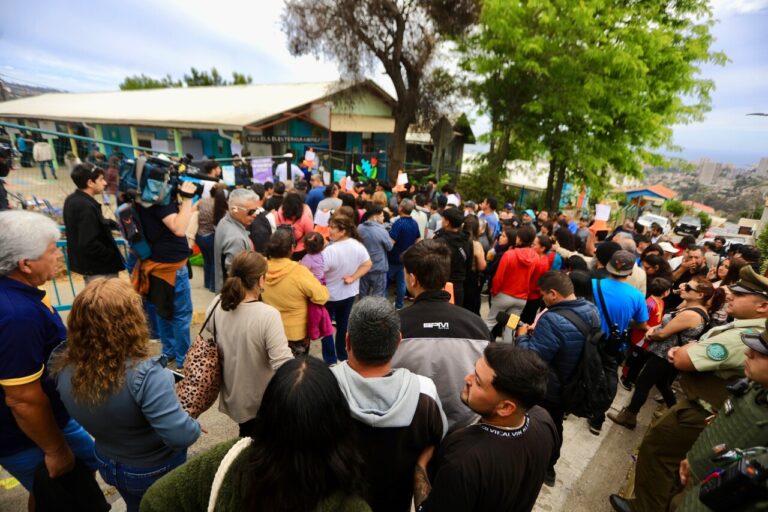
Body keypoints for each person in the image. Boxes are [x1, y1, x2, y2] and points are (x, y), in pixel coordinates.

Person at [609, 265, 768, 512]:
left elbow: (686, 358)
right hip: (708, 409)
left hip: (702, 408)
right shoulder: (745, 328)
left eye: (740, 295)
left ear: (762, 306)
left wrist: (681, 349)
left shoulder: (746, 333)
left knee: (659, 449)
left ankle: (645, 507)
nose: (730, 296)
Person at [140, 357, 371, 512]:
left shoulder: (232, 461)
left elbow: (154, 501)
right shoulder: (351, 504)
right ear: (337, 420)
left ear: (268, 413)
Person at [54, 279, 200, 512]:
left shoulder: (63, 367)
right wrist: (192, 424)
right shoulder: (148, 375)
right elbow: (180, 436)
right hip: (153, 468)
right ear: (131, 321)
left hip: (108, 460)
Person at [0, 211, 100, 506]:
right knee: (60, 494)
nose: (59, 255)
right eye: (52, 249)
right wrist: (56, 450)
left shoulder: (22, 294)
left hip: (52, 421)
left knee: (61, 484)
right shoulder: (17, 315)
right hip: (27, 435)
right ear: (25, 264)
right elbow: (23, 399)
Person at [332, 297, 446, 512]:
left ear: (347, 341)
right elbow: (437, 441)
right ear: (398, 342)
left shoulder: (324, 389)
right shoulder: (425, 393)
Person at [414, 345, 558, 511]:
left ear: (506, 408)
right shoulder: (543, 420)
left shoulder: (463, 461)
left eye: (478, 382)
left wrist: (420, 465)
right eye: (474, 371)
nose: (467, 379)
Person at [392, 239, 492, 432]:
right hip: (463, 422)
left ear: (412, 279)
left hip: (409, 423)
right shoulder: (477, 325)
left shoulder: (394, 324)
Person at [516, 271, 600, 487]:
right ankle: (549, 467)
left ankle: (536, 465)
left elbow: (532, 358)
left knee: (540, 423)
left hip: (551, 386)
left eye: (544, 294)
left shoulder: (552, 319)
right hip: (574, 382)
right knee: (555, 426)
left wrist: (523, 336)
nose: (542, 298)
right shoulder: (591, 309)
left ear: (553, 293)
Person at [673, 318, 768, 511]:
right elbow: (726, 427)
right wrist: (695, 460)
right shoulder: (757, 387)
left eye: (761, 353)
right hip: (701, 484)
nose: (747, 353)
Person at [204, 251, 294, 436]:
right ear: (261, 280)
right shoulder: (267, 315)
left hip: (233, 393)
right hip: (261, 400)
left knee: (246, 436)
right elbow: (283, 364)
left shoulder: (216, 304)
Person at [609, 276, 714, 429]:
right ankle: (675, 413)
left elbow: (664, 333)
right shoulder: (691, 307)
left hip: (663, 356)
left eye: (689, 288)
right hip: (667, 355)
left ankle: (629, 416)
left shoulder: (691, 314)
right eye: (686, 285)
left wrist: (651, 333)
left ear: (700, 295)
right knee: (662, 384)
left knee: (642, 384)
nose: (683, 288)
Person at [589, 250, 650, 435]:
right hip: (613, 343)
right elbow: (641, 324)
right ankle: (597, 419)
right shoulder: (637, 296)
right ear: (631, 272)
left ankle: (568, 408)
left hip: (589, 338)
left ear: (608, 266)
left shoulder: (593, 284)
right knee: (609, 377)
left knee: (580, 368)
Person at [262, 228, 329, 357]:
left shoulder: (261, 266)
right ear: (292, 248)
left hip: (269, 329)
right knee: (295, 371)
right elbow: (322, 297)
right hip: (295, 333)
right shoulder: (299, 272)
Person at [321, 214, 372, 364]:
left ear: (342, 231)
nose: (329, 230)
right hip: (349, 294)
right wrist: (353, 277)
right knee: (343, 325)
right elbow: (368, 264)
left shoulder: (330, 251)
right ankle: (343, 356)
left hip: (329, 296)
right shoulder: (358, 245)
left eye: (332, 228)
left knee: (327, 328)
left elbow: (318, 273)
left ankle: (330, 360)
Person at [62, 163, 124, 284]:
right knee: (107, 301)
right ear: (90, 183)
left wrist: (109, 223)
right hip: (100, 270)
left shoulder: (73, 199)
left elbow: (87, 225)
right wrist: (111, 254)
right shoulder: (85, 206)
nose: (105, 183)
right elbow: (88, 242)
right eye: (101, 179)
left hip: (91, 267)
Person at [485, 225, 539, 342]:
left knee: (490, 322)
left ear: (519, 239)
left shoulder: (509, 254)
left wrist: (494, 291)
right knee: (510, 328)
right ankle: (507, 354)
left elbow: (498, 277)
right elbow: (533, 279)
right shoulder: (536, 257)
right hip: (521, 300)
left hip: (503, 296)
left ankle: (478, 345)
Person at [621, 277, 672, 390]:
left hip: (649, 338)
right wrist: (651, 330)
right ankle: (625, 378)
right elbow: (639, 323)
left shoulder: (660, 302)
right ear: (666, 292)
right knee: (634, 360)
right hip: (640, 338)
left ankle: (632, 378)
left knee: (640, 361)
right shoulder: (649, 304)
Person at [213, 188, 258, 292]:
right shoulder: (236, 238)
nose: (255, 214)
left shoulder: (225, 220)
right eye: (251, 211)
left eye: (256, 210)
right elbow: (236, 278)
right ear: (234, 210)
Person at [434, 207, 473, 307]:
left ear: (447, 222)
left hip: (441, 285)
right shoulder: (467, 240)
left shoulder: (440, 242)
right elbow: (469, 265)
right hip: (459, 286)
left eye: (443, 219)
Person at [387, 198, 421, 310]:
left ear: (401, 208)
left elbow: (391, 243)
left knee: (385, 282)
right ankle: (399, 305)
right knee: (402, 283)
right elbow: (418, 240)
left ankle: (383, 307)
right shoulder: (414, 223)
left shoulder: (398, 223)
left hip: (393, 258)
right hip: (406, 259)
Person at [195, 184, 227, 292]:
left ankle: (207, 283)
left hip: (199, 236)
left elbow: (192, 211)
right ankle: (213, 286)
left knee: (207, 260)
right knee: (214, 261)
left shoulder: (202, 201)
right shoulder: (218, 205)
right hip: (211, 237)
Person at [358, 205, 394, 297]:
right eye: (382, 215)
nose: (384, 217)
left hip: (363, 267)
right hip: (378, 268)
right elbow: (389, 247)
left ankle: (363, 311)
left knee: (363, 295)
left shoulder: (359, 228)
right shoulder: (382, 231)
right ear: (375, 217)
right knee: (378, 296)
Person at [666, 245, 708, 312]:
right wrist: (682, 268)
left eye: (696, 257)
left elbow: (691, 293)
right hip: (669, 301)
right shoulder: (685, 265)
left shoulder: (705, 272)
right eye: (690, 257)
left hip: (680, 308)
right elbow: (669, 280)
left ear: (704, 259)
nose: (693, 260)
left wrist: (676, 310)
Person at [273, 192, 315, 260]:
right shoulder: (305, 218)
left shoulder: (276, 215)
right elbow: (310, 236)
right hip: (298, 251)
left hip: (280, 248)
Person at [461, 215, 488, 314]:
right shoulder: (476, 244)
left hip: (456, 278)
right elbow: (482, 266)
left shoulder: (457, 240)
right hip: (470, 280)